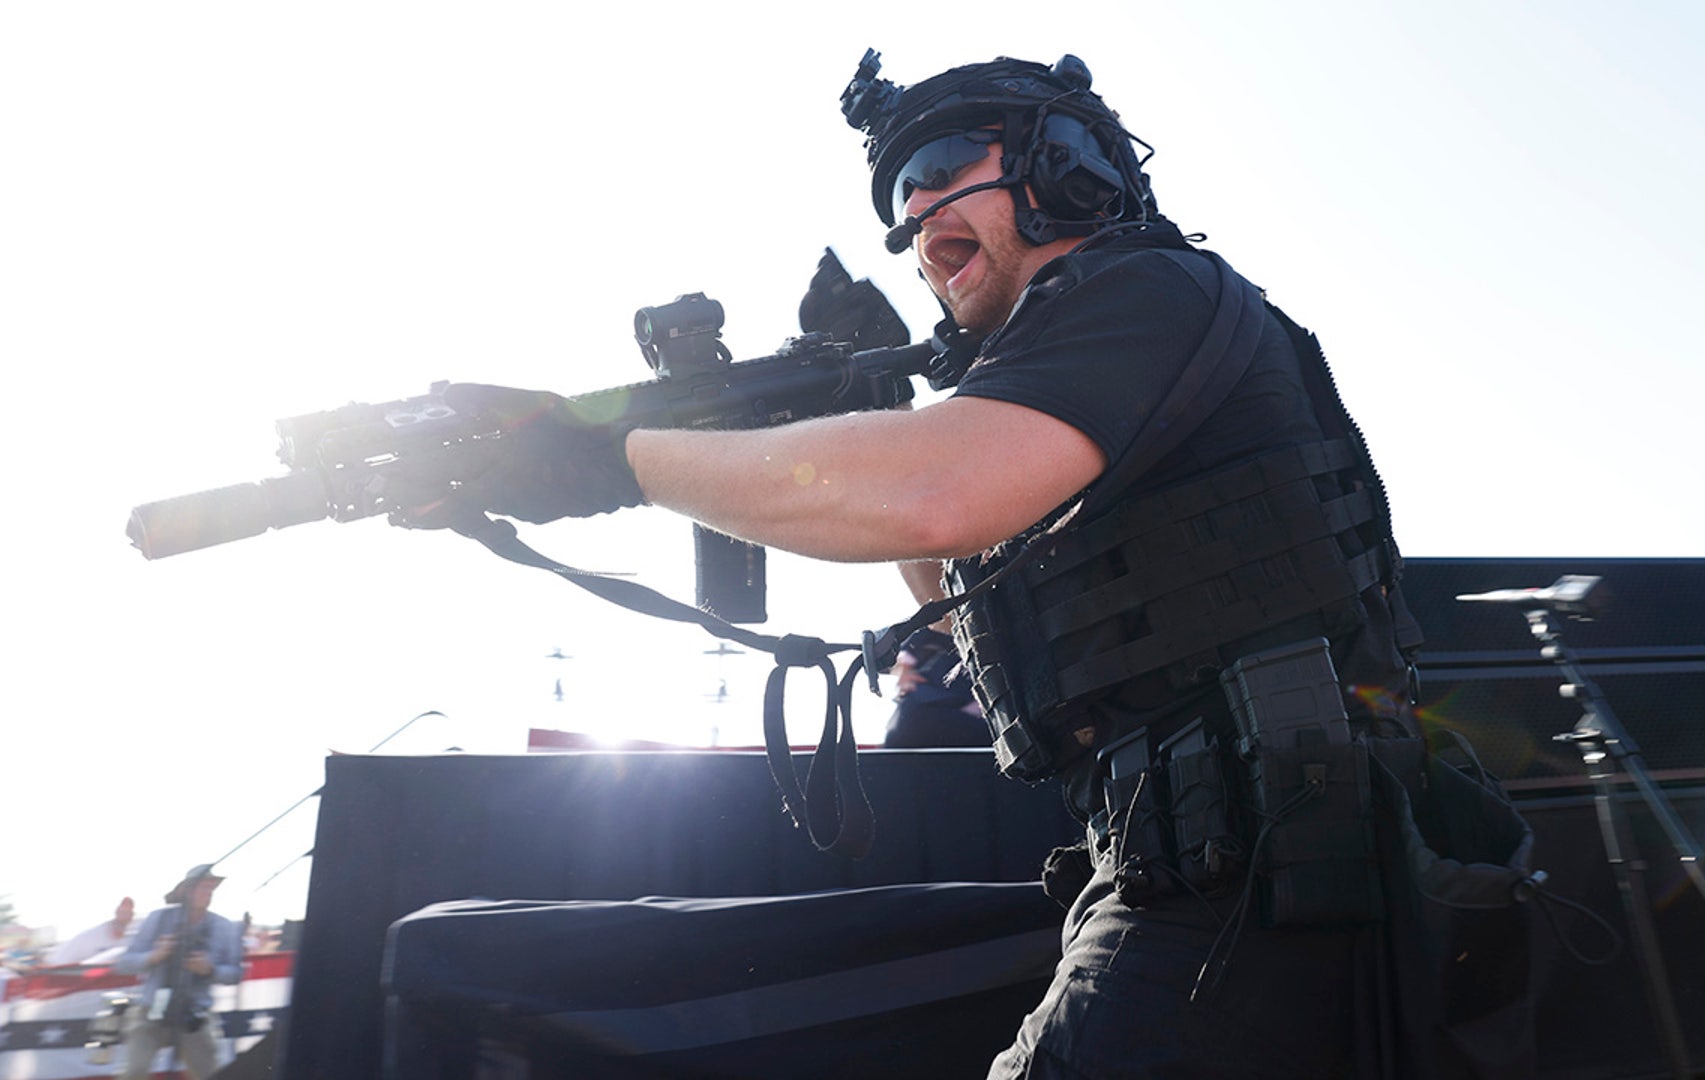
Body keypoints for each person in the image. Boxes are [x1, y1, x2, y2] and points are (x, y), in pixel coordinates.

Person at [402, 52, 1431, 1077]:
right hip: (1201, 871)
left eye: (939, 167)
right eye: (899, 197)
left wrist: (604, 459)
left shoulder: (1146, 289)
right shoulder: (1073, 389)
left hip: (1267, 877)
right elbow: (957, 599)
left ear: (1069, 165)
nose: (911, 220)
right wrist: (871, 421)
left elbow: (931, 493)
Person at [113, 864, 244, 1080]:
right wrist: (155, 955)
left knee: (210, 1073)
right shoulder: (158, 919)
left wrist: (209, 969)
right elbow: (123, 963)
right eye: (202, 887)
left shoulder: (224, 927)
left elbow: (235, 974)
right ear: (186, 890)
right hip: (151, 1011)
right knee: (134, 1072)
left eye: (211, 889)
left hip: (195, 1015)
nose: (207, 893)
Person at [44, 896, 139, 966]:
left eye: (129, 913)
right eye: (123, 912)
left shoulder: (129, 939)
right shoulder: (90, 937)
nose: (126, 916)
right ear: (117, 912)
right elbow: (60, 962)